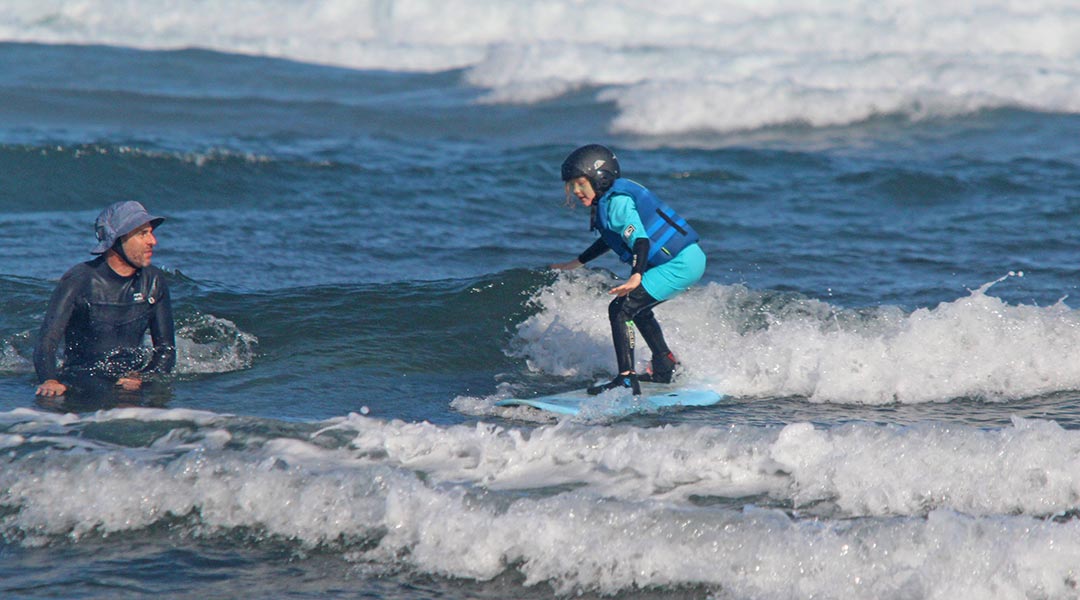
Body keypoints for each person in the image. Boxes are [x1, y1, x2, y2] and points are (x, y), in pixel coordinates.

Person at [552, 144, 706, 395]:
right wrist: (577, 262)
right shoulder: (609, 201)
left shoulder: (618, 203)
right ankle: (664, 364)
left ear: (600, 179)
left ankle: (626, 378)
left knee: (621, 309)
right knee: (638, 311)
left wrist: (636, 275)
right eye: (572, 186)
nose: (576, 191)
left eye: (580, 183)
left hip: (680, 264)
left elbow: (640, 240)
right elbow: (611, 238)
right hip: (685, 259)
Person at [34, 201, 176, 399]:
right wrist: (50, 380)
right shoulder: (79, 280)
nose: (153, 241)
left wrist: (142, 377)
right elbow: (46, 342)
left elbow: (166, 350)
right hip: (82, 378)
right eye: (142, 234)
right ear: (116, 241)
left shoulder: (154, 280)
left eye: (151, 233)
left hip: (131, 379)